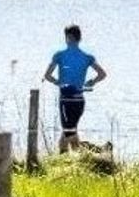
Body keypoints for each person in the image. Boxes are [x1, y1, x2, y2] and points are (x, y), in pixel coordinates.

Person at [44, 25, 107, 153]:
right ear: (79, 38)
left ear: (68, 37)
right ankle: (80, 160)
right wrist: (91, 82)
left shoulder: (59, 55)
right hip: (79, 100)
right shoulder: (87, 57)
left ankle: (93, 152)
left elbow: (47, 75)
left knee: (68, 132)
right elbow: (102, 74)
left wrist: (59, 82)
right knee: (70, 131)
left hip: (66, 99)